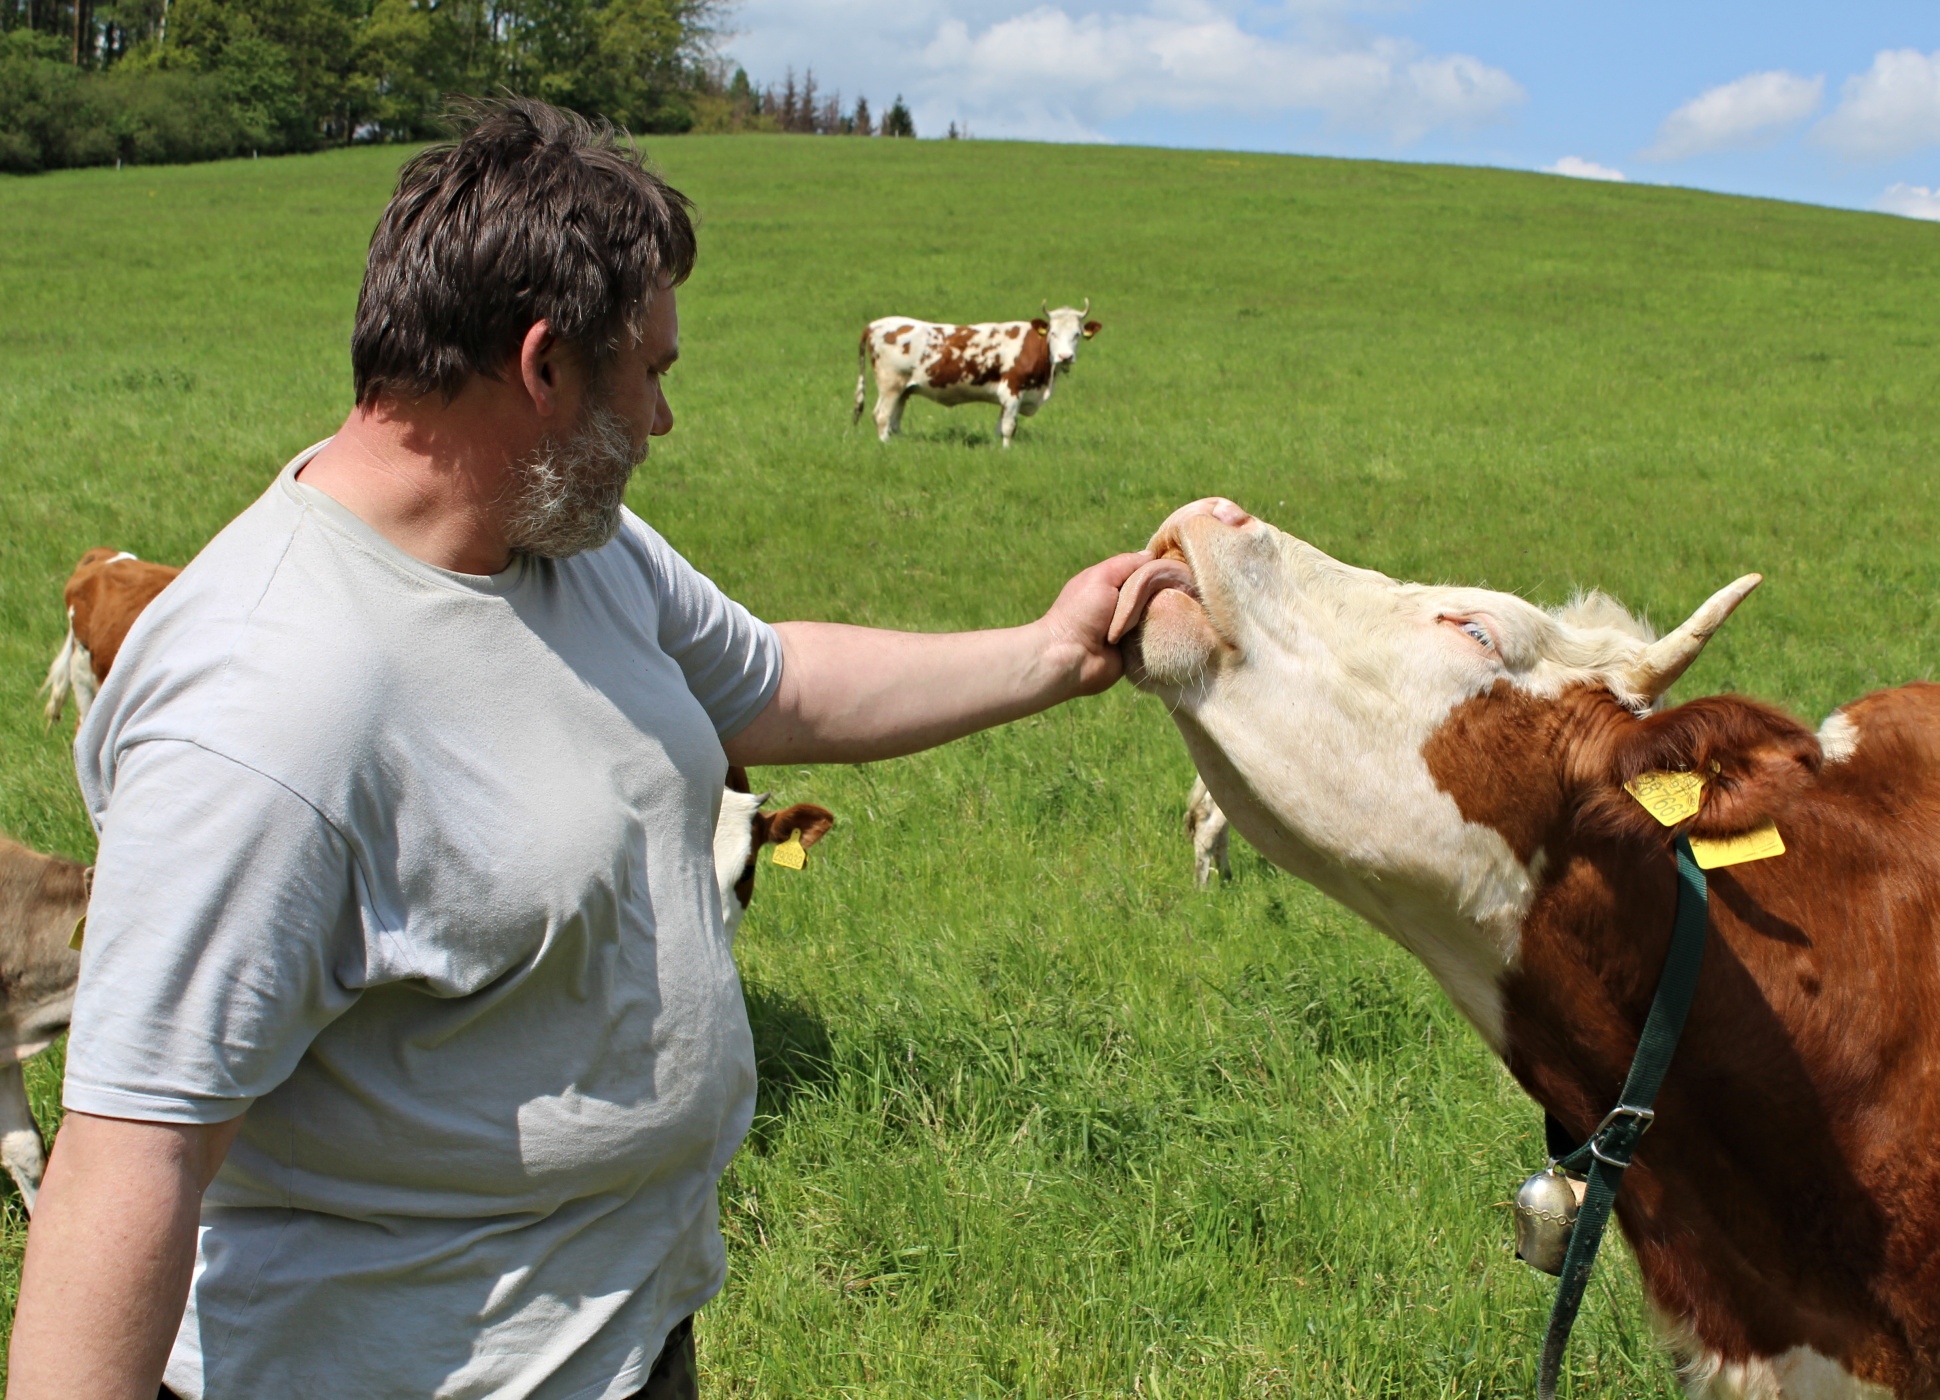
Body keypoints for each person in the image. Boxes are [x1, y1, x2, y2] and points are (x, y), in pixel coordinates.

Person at [5, 99, 1143, 1400]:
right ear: (545, 367)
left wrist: (1049, 653)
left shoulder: (568, 546)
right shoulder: (263, 707)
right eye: (649, 372)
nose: (662, 419)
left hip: (620, 1333)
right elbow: (131, 1159)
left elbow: (776, 683)